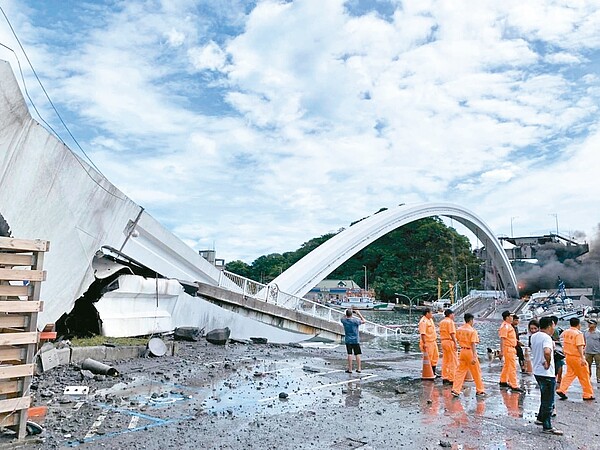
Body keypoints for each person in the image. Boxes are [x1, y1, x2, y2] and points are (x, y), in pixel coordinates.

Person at [530, 316, 563, 435]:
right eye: (553, 326)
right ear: (550, 325)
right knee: (549, 400)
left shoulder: (534, 336)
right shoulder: (547, 337)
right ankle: (547, 426)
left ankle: (540, 418)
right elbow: (547, 352)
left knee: (544, 396)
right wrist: (548, 362)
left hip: (537, 371)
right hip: (546, 373)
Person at [556, 317, 595, 400]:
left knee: (569, 374)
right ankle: (587, 394)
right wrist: (582, 358)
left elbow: (560, 341)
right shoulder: (578, 334)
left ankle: (562, 389)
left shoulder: (565, 332)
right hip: (577, 357)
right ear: (578, 324)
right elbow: (579, 346)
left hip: (568, 357)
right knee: (584, 376)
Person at [451, 313, 486, 397]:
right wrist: (474, 356)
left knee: (460, 371)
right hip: (470, 352)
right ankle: (480, 390)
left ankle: (455, 389)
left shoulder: (459, 329)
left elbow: (457, 339)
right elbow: (473, 344)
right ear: (471, 320)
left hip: (462, 351)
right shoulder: (472, 331)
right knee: (476, 372)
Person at [499, 310, 524, 393]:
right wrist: (501, 351)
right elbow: (503, 339)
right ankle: (514, 385)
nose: (512, 318)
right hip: (508, 348)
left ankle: (503, 380)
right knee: (512, 367)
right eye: (511, 316)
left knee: (507, 365)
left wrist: (517, 342)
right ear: (507, 317)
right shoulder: (505, 326)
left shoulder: (508, 326)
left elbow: (510, 337)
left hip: (511, 347)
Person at [340, 308, 365, 373]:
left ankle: (350, 369)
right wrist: (359, 313)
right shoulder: (355, 321)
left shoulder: (344, 321)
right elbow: (364, 321)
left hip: (348, 340)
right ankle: (359, 368)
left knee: (349, 354)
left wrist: (345, 312)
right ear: (351, 314)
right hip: (355, 340)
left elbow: (343, 317)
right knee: (357, 354)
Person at [419, 308, 439, 376]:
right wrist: (424, 343)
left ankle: (433, 371)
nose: (432, 314)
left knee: (435, 356)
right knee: (429, 358)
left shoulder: (430, 320)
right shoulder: (423, 321)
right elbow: (423, 333)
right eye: (431, 313)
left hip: (433, 341)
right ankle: (428, 372)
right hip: (427, 342)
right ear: (427, 313)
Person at [439, 309, 458, 384]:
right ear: (450, 314)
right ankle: (452, 378)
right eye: (453, 314)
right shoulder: (450, 322)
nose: (454, 316)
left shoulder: (442, 322)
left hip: (443, 341)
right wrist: (455, 343)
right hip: (450, 341)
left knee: (445, 360)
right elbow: (452, 333)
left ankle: (445, 376)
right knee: (453, 360)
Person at [550, 316, 565, 385]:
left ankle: (558, 378)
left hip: (556, 348)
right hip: (558, 348)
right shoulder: (557, 329)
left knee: (559, 364)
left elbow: (556, 339)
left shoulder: (554, 330)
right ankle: (559, 379)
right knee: (560, 364)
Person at [584, 319, 600, 383]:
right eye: (588, 323)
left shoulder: (598, 333)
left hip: (597, 352)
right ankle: (588, 377)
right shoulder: (585, 332)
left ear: (595, 325)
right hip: (588, 351)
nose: (589, 325)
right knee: (587, 366)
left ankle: (598, 378)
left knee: (598, 366)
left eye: (591, 323)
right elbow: (584, 341)